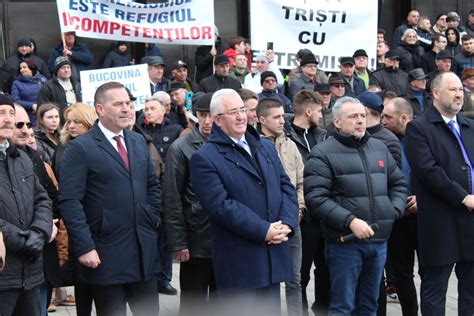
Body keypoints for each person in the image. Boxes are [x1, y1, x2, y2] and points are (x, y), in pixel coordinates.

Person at [189, 89, 298, 315]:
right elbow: (221, 206)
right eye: (232, 112)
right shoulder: (205, 158)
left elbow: (286, 186)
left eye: (242, 110)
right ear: (217, 120)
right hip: (240, 261)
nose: (240, 117)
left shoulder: (265, 146)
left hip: (273, 252)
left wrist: (287, 223)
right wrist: (263, 230)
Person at [58, 82, 161, 316]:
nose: (126, 109)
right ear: (100, 109)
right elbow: (70, 202)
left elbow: (152, 185)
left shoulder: (136, 141)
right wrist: (85, 247)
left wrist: (152, 218)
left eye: (129, 103)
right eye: (118, 104)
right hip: (105, 254)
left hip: (143, 252)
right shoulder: (81, 148)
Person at [304, 96, 407, 315]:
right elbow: (316, 198)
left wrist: (393, 211)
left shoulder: (379, 147)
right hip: (345, 243)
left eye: (362, 115)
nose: (360, 120)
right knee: (343, 306)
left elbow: (398, 182)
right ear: (337, 122)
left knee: (370, 305)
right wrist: (350, 221)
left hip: (378, 241)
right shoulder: (322, 153)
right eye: (353, 116)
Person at [405, 71, 474, 315]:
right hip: (441, 221)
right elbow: (427, 170)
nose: (459, 94)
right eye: (452, 89)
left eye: (460, 90)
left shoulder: (469, 125)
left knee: (471, 293)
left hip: (471, 220)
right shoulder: (419, 128)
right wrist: (462, 196)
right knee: (435, 290)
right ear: (435, 93)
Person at [163, 93, 216, 316]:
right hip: (196, 241)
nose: (207, 122)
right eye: (202, 116)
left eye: (211, 116)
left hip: (225, 241)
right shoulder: (181, 147)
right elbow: (172, 198)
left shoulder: (232, 143)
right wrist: (178, 243)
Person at [0, 94, 53, 316]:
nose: (8, 119)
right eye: (1, 113)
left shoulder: (20, 158)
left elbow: (42, 198)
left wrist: (39, 232)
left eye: (11, 113)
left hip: (29, 273)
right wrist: (23, 240)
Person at [256, 98, 304, 316]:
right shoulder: (253, 147)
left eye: (283, 116)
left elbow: (301, 181)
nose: (282, 121)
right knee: (265, 280)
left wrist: (299, 208)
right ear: (261, 119)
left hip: (293, 221)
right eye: (276, 117)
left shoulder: (290, 145)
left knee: (295, 279)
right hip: (266, 224)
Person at [381, 97, 418, 316]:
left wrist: (421, 198)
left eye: (388, 117)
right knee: (402, 273)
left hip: (425, 215)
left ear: (404, 118)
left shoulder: (426, 139)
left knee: (431, 272)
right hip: (398, 216)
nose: (382, 120)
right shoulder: (384, 141)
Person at [37, 56, 82, 124]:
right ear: (57, 71)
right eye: (63, 68)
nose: (66, 70)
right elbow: (42, 108)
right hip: (59, 124)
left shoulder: (77, 85)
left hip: (78, 121)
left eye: (68, 67)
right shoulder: (48, 87)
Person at [11, 59, 47, 126]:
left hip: (44, 113)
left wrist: (40, 106)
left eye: (24, 67)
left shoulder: (43, 80)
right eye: (20, 68)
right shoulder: (16, 83)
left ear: (31, 68)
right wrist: (32, 106)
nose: (22, 70)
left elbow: (49, 96)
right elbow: (15, 100)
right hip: (28, 115)